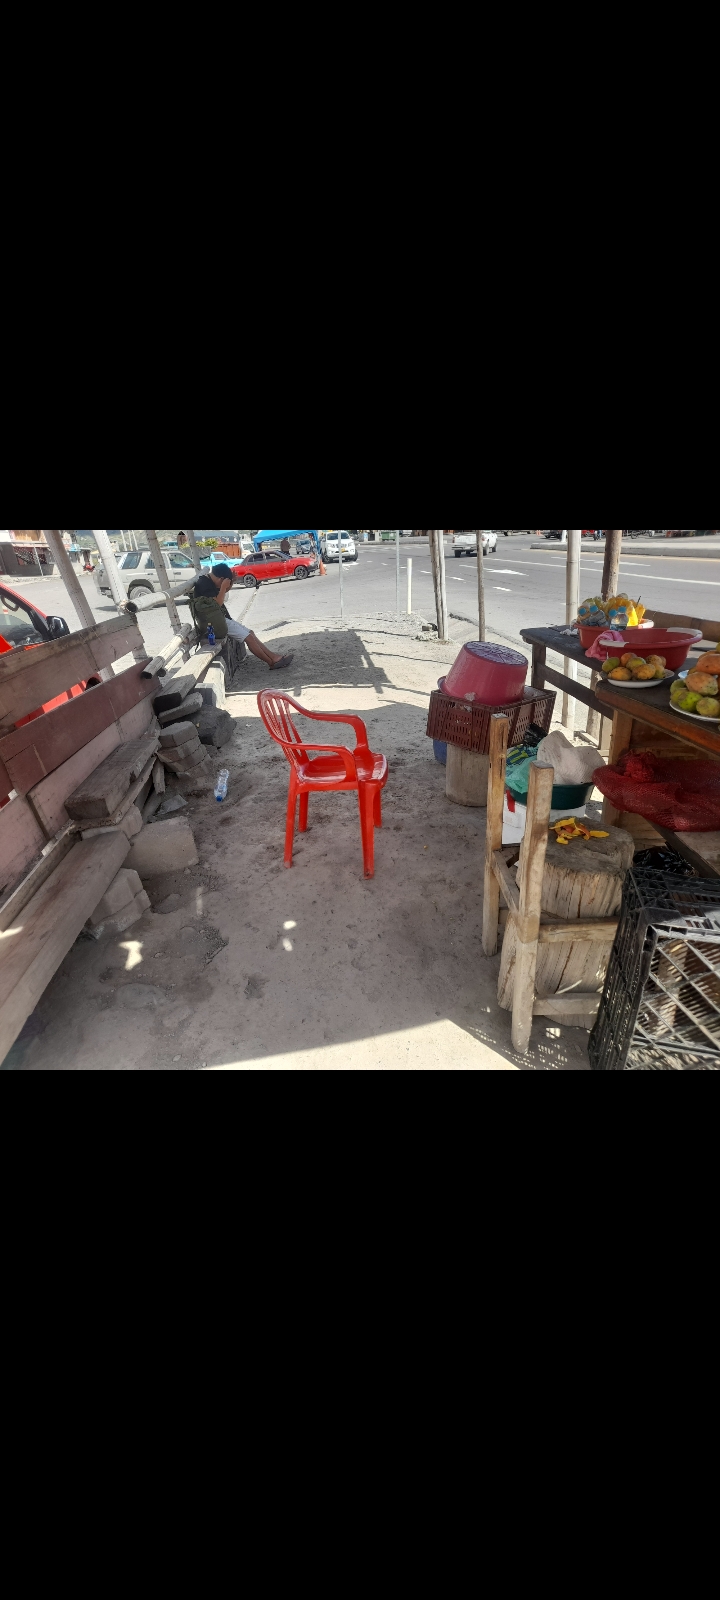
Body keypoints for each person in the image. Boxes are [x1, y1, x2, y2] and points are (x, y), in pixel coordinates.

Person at [190, 565, 294, 670]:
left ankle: (274, 658)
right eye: (224, 582)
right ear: (221, 579)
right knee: (249, 638)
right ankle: (271, 662)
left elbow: (221, 592)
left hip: (219, 618)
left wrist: (231, 582)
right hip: (214, 623)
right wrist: (223, 587)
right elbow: (218, 603)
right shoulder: (204, 584)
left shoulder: (210, 580)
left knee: (251, 633)